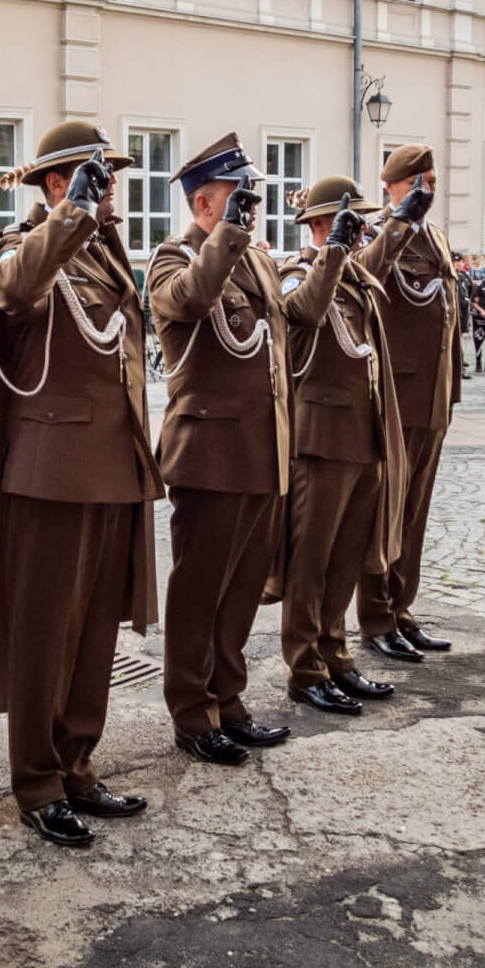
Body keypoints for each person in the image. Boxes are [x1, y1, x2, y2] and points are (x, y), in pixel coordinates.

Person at [0, 122, 160, 849]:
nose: (110, 189)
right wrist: (67, 218)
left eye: (107, 180)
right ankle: (37, 783)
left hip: (112, 467)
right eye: (95, 178)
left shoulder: (108, 255)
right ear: (57, 184)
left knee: (90, 635)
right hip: (48, 475)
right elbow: (15, 293)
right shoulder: (22, 247)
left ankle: (78, 764)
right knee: (44, 637)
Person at [147, 135, 341, 765]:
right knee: (200, 587)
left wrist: (332, 253)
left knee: (241, 587)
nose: (250, 206)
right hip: (209, 452)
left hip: (263, 448)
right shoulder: (172, 258)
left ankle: (228, 701)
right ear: (205, 203)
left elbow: (300, 315)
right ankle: (192, 712)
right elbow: (193, 300)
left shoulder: (256, 259)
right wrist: (227, 235)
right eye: (238, 195)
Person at [276, 177, 406, 717]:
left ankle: (337, 656)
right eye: (350, 222)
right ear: (322, 225)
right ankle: (305, 668)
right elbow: (303, 312)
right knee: (312, 562)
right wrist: (330, 253)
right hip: (321, 442)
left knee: (345, 559)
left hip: (361, 435)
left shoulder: (354, 278)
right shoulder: (298, 274)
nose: (359, 232)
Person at [356, 144, 459, 663]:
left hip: (434, 397)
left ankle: (401, 608)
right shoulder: (379, 234)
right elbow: (362, 278)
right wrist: (396, 224)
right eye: (420, 182)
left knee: (414, 513)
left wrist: (452, 388)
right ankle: (375, 617)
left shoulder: (435, 236)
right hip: (397, 395)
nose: (429, 191)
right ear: (395, 186)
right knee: (386, 512)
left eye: (433, 181)